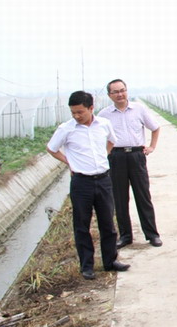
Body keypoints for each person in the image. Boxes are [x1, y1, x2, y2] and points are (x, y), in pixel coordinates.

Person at [46, 91, 130, 280]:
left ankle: (110, 261)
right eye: (73, 112)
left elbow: (112, 141)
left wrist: (102, 156)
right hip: (81, 182)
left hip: (103, 180)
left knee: (108, 224)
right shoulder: (66, 129)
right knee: (82, 225)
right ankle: (87, 266)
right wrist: (69, 162)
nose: (76, 116)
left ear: (91, 108)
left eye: (80, 112)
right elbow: (51, 148)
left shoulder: (104, 124)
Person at [98, 79, 163, 249]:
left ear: (126, 91)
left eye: (122, 90)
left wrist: (151, 146)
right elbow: (97, 136)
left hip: (136, 155)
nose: (120, 94)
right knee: (120, 198)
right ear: (109, 95)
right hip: (116, 157)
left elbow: (155, 128)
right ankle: (125, 236)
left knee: (143, 195)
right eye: (115, 92)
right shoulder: (104, 115)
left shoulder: (139, 109)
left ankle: (152, 234)